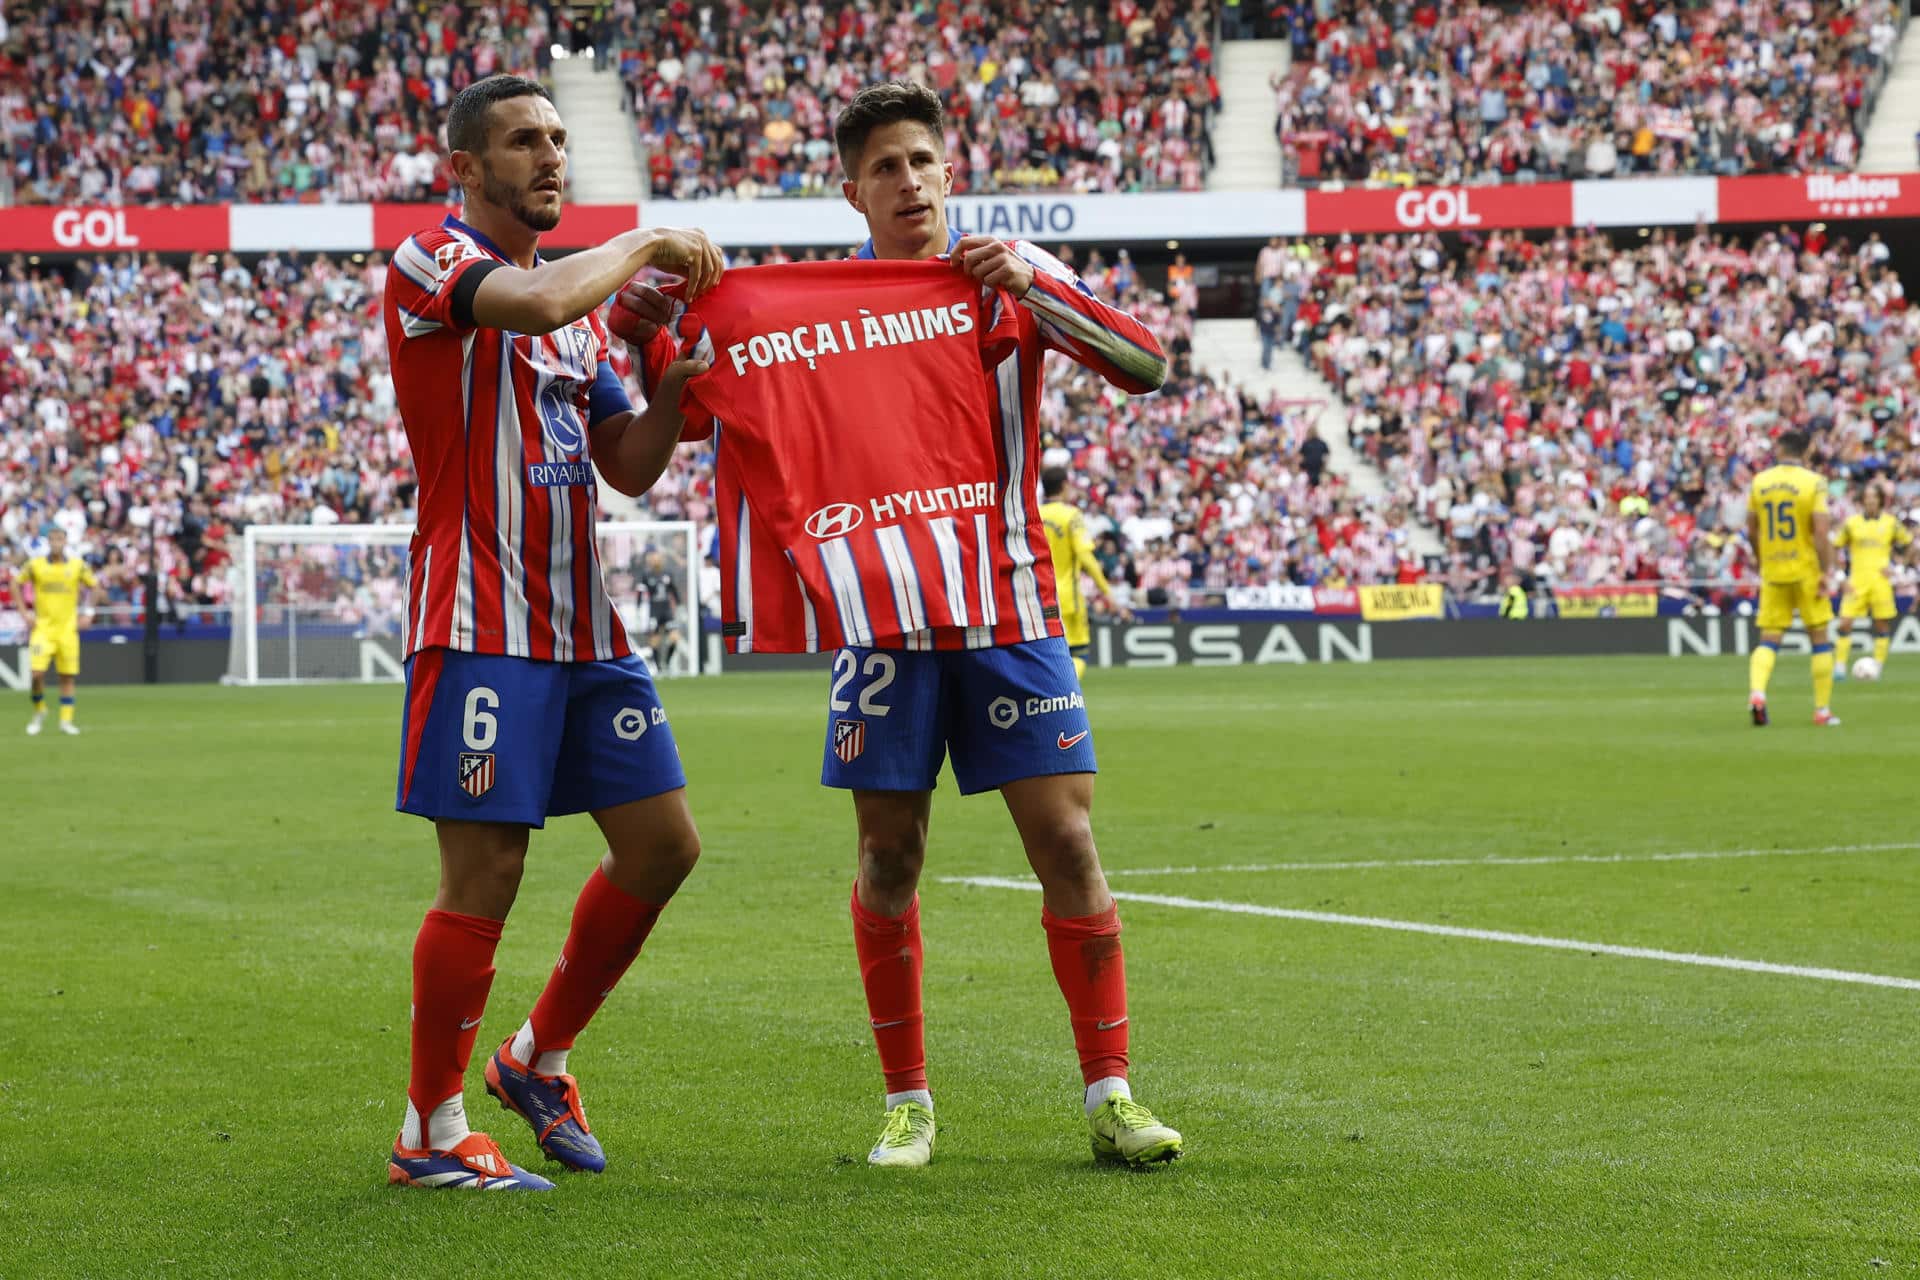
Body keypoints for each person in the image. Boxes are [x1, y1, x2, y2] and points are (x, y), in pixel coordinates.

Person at [616, 80, 1184, 1170]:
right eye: (885, 167)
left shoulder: (1011, 274)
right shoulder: (814, 305)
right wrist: (658, 292)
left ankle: (1112, 1094)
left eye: (923, 160)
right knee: (889, 853)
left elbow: (1148, 364)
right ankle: (908, 1100)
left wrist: (1034, 291)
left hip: (1008, 603)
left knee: (1066, 840)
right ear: (852, 191)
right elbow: (663, 384)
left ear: (950, 171)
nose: (909, 181)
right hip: (881, 622)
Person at [380, 73, 722, 1192]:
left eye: (560, 139)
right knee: (488, 870)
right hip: (481, 620)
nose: (551, 157)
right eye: (524, 141)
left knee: (664, 844)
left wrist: (673, 380)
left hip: (585, 627)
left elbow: (627, 465)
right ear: (469, 167)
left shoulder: (577, 319)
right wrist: (643, 244)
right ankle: (428, 1132)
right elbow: (523, 307)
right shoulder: (431, 262)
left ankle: (535, 1056)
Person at [1745, 429, 1840, 727]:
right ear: (1807, 451)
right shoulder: (1814, 483)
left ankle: (1758, 694)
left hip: (1773, 569)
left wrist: (1762, 561)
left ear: (1779, 449)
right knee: (1820, 639)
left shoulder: (1760, 482)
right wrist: (1828, 572)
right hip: (1806, 570)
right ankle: (1822, 711)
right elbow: (1821, 532)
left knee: (1769, 639)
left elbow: (1751, 529)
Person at [1040, 466, 1131, 677]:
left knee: (1049, 655)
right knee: (1079, 654)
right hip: (1068, 599)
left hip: (1041, 599)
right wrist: (1109, 594)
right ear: (1064, 485)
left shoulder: (1034, 514)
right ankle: (1065, 700)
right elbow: (1087, 559)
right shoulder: (1071, 515)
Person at [17, 527, 95, 736]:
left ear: (66, 541)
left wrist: (88, 612)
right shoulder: (36, 565)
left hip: (67, 630)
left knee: (67, 677)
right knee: (36, 674)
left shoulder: (77, 566)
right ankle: (40, 710)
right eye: (52, 539)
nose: (56, 543)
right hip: (42, 629)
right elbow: (16, 583)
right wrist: (24, 613)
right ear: (48, 542)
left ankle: (66, 721)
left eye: (59, 539)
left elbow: (94, 586)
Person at [1834, 483, 1912, 677]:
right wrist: (1840, 576)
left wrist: (1898, 567)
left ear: (1880, 500)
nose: (1870, 500)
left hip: (1880, 581)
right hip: (1856, 581)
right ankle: (1840, 667)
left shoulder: (1890, 523)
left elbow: (1909, 543)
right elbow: (1835, 547)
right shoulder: (1851, 523)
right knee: (1844, 622)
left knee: (1881, 625)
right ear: (1862, 500)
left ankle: (1877, 667)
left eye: (1874, 497)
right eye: (1867, 497)